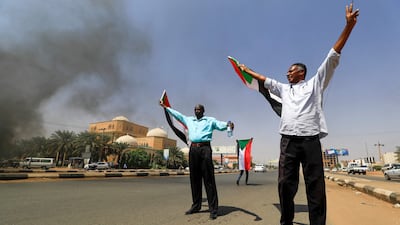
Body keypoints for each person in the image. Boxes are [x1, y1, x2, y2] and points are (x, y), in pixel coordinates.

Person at [238, 3, 359, 225]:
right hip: (288, 142)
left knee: (315, 186)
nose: (287, 73)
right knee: (285, 184)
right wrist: (247, 70)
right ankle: (287, 220)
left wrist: (348, 26)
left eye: (291, 71)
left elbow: (333, 55)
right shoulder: (284, 89)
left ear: (301, 72)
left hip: (310, 140)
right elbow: (265, 80)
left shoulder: (315, 83)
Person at [159, 103, 234, 220]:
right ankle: (196, 205)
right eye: (195, 109)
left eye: (199, 109)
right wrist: (166, 108)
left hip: (205, 149)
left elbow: (221, 125)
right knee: (194, 179)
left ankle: (213, 209)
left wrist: (229, 125)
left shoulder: (210, 120)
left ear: (203, 111)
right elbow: (178, 115)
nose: (196, 111)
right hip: (193, 150)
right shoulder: (189, 120)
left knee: (208, 180)